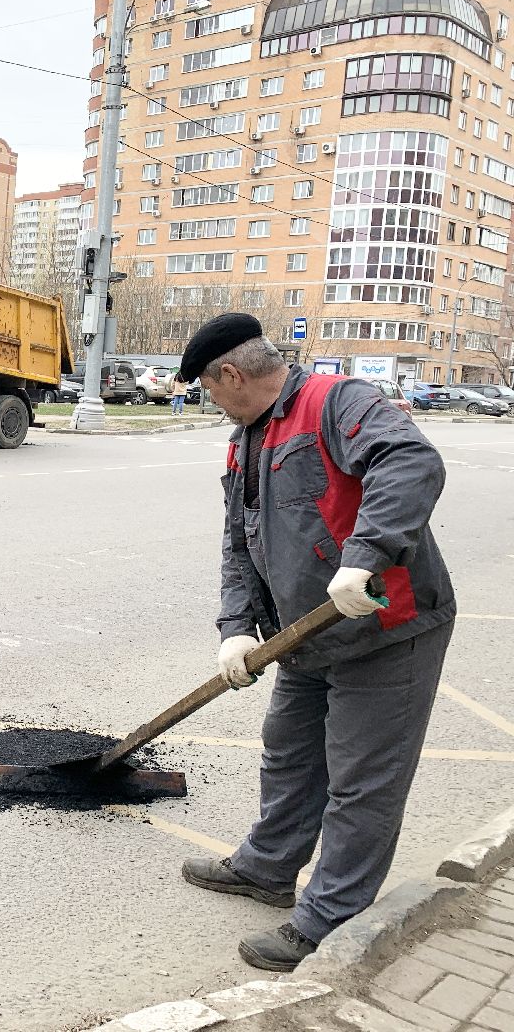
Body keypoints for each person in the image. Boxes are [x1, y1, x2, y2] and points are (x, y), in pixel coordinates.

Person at [176, 312, 455, 973]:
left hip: (387, 625)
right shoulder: (247, 440)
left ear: (232, 374)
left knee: (362, 783)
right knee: (291, 754)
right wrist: (236, 628)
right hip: (307, 634)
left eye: (209, 390)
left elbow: (411, 461)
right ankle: (267, 867)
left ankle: (331, 921)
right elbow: (238, 541)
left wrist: (367, 555)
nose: (212, 403)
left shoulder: (338, 402)